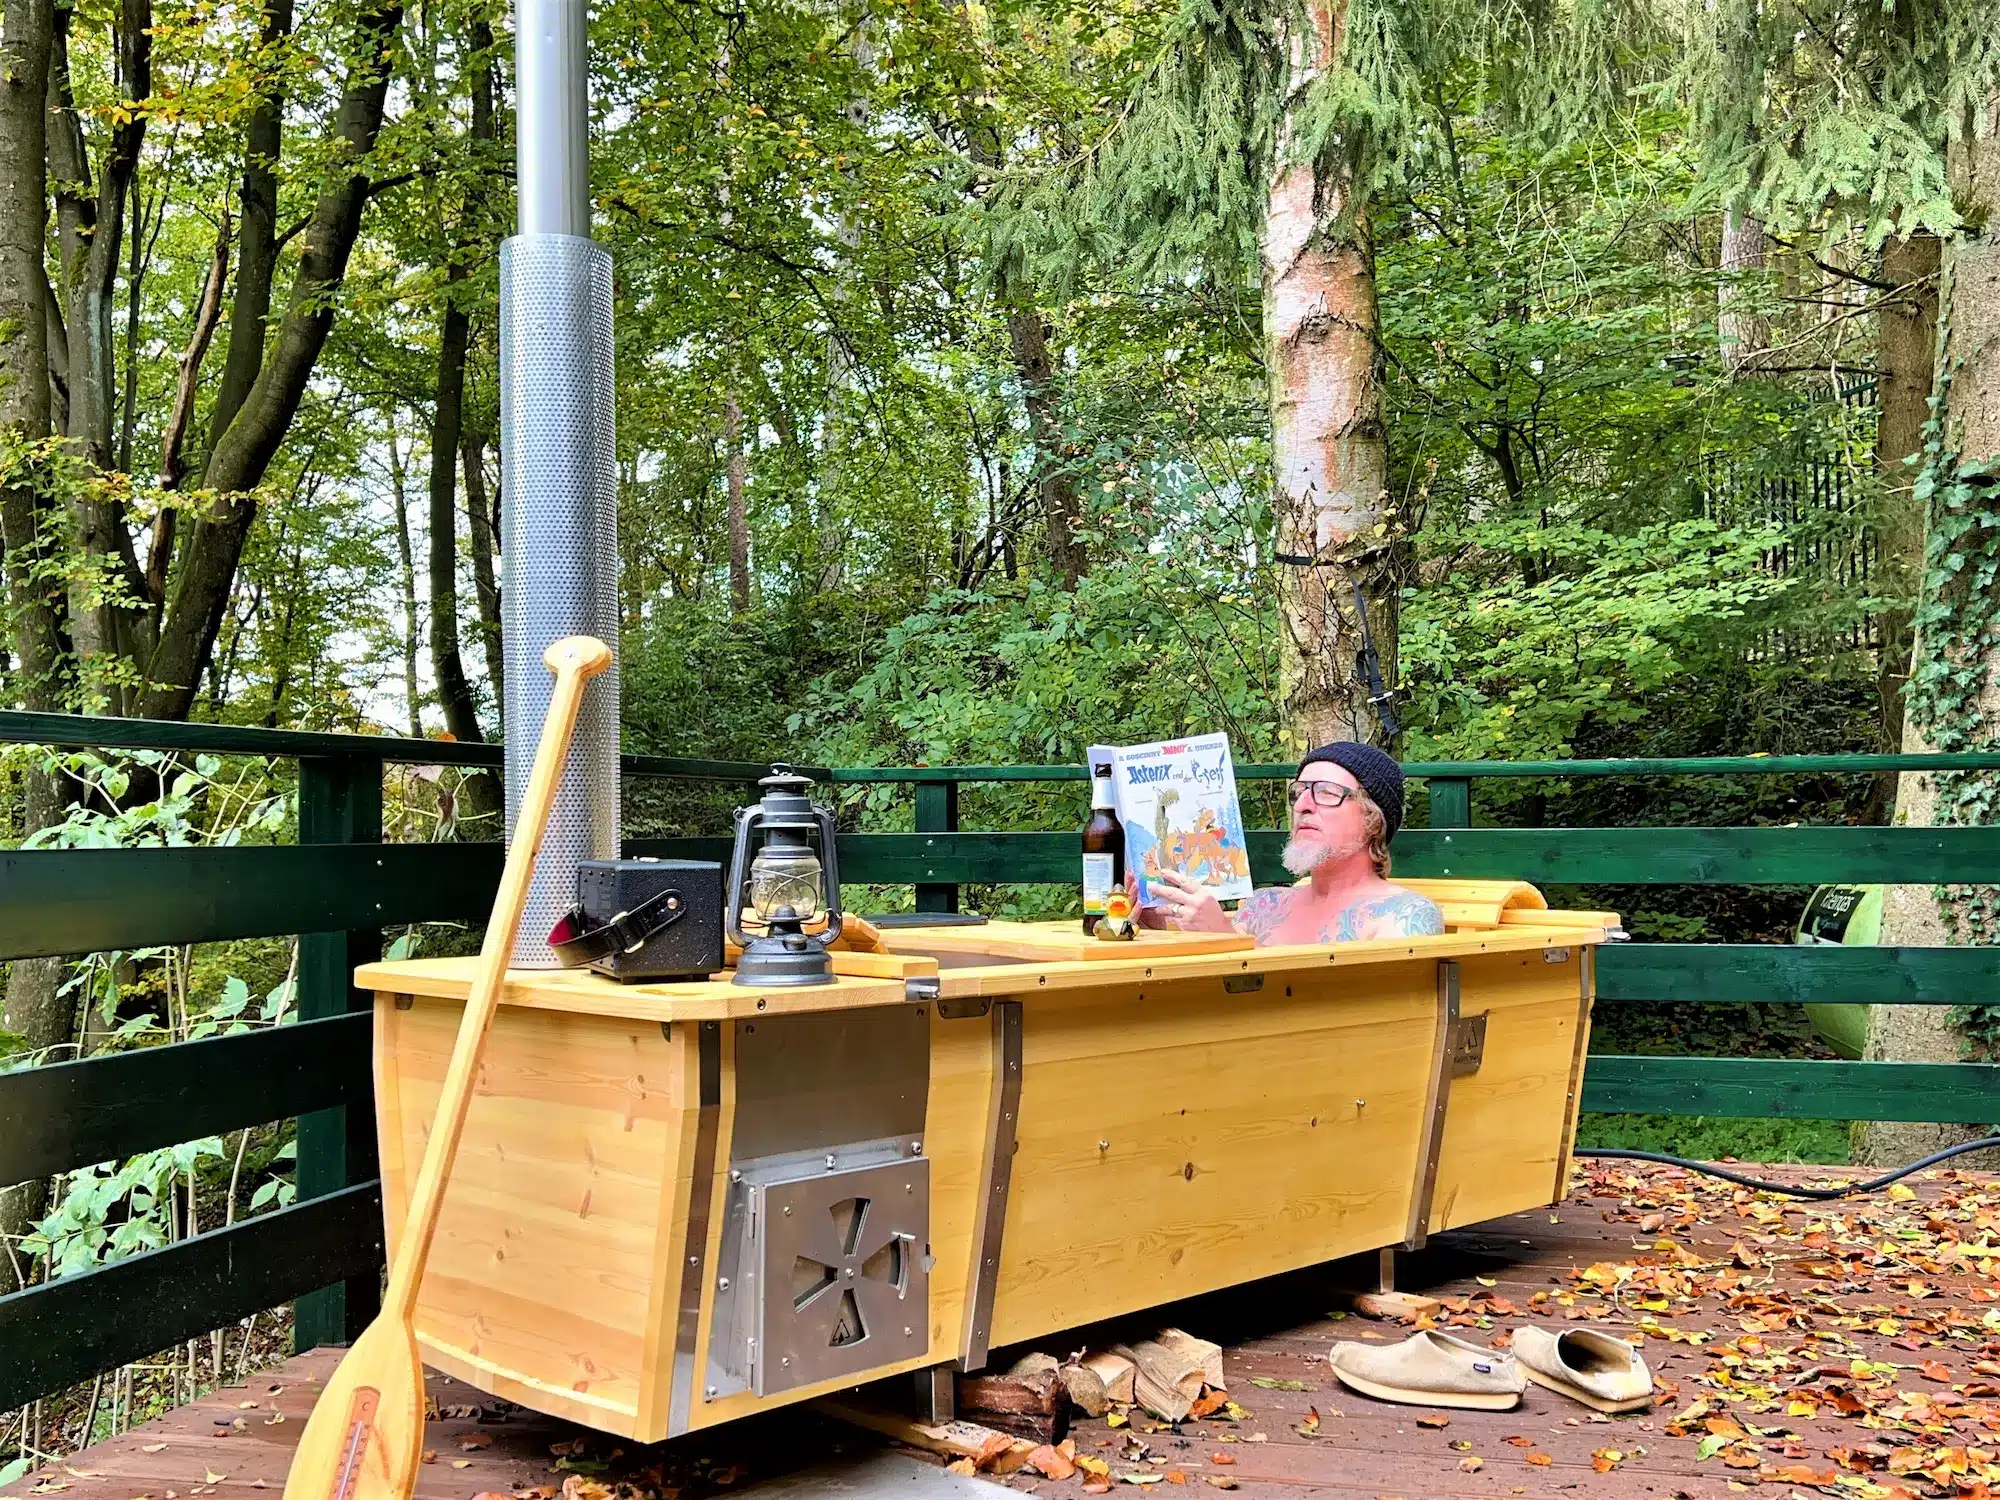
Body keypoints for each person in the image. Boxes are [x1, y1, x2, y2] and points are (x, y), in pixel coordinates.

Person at [1141, 741, 1444, 945]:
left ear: (1373, 819)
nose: (1303, 805)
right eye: (1298, 792)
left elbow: (1360, 1022)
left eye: (1326, 792)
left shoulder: (1405, 914)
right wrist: (1151, 920)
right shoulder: (1264, 906)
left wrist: (1224, 941)